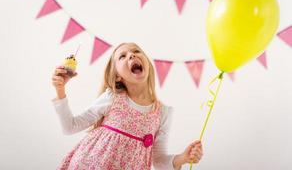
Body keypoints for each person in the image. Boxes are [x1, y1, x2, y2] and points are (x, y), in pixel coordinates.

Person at [51, 42, 203, 170]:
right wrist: (60, 90)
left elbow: (158, 161)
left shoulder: (162, 112)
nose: (132, 55)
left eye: (136, 51)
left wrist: (183, 158)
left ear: (148, 65)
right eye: (122, 56)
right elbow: (69, 127)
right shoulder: (112, 98)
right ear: (117, 75)